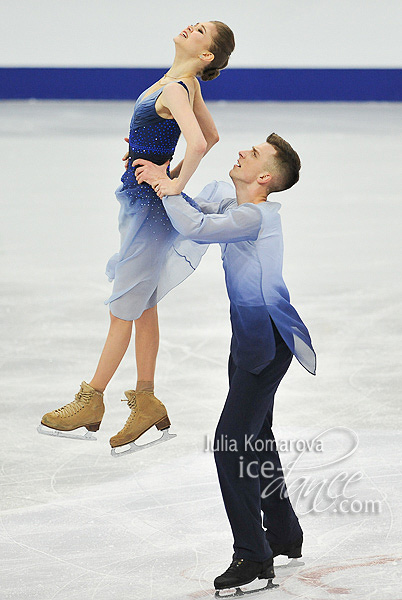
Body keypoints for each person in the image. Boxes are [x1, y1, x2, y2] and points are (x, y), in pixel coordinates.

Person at [38, 21, 235, 454]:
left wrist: (173, 181)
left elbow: (200, 143)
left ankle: (91, 399)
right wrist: (153, 155)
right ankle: (145, 399)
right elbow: (210, 136)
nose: (191, 26)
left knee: (123, 307)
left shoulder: (178, 88)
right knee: (142, 303)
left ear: (206, 55)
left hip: (148, 207)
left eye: (200, 30)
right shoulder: (180, 85)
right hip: (141, 202)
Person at [134, 133, 316, 594]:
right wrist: (158, 170)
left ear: (264, 178)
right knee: (257, 437)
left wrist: (164, 185)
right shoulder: (232, 203)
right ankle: (284, 533)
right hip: (251, 338)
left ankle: (254, 558)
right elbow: (191, 203)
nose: (242, 151)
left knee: (230, 444)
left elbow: (196, 227)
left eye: (253, 154)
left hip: (267, 342)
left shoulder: (254, 217)